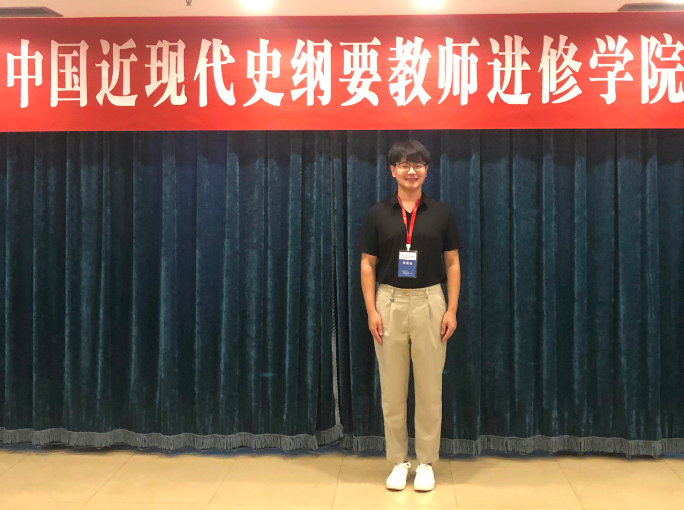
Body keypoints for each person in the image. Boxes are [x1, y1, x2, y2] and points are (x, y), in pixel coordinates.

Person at [356, 140, 463, 492]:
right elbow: (367, 264)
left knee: (430, 389)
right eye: (403, 164)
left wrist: (451, 309)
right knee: (392, 389)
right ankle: (399, 461)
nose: (411, 171)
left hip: (430, 302)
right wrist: (372, 310)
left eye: (417, 164)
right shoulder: (378, 214)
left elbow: (452, 264)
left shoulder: (441, 213)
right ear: (392, 170)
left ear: (427, 170)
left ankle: (426, 462)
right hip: (388, 302)